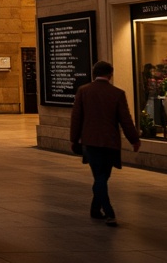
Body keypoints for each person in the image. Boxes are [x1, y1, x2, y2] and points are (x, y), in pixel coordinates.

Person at [69, 60, 140, 228]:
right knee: (103, 176)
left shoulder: (83, 91)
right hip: (110, 142)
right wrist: (134, 139)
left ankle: (95, 209)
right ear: (110, 74)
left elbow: (76, 118)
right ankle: (109, 212)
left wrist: (74, 139)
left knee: (99, 177)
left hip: (91, 141)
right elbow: (126, 120)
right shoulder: (117, 93)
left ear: (94, 73)